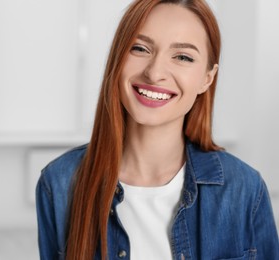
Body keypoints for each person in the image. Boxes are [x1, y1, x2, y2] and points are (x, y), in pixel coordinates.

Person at [36, 0, 279, 259]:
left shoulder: (244, 188)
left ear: (207, 78)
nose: (154, 73)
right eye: (140, 48)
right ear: (117, 59)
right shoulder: (59, 182)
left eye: (183, 57)